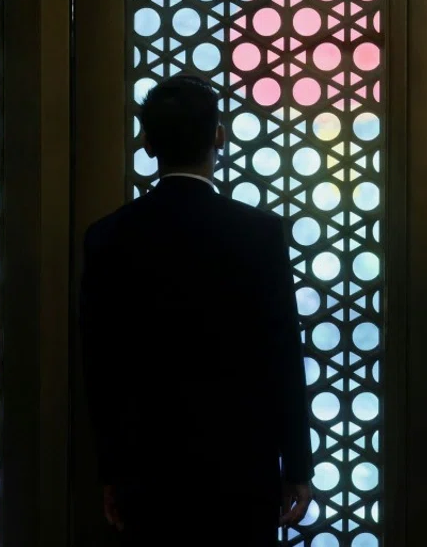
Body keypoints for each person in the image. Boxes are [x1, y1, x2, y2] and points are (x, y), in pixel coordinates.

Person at [79, 74, 314, 545]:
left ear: (147, 143)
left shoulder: (107, 237)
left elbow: (100, 368)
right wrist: (297, 465)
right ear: (218, 137)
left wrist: (113, 472)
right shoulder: (259, 235)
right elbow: (282, 356)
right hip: (242, 467)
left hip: (148, 470)